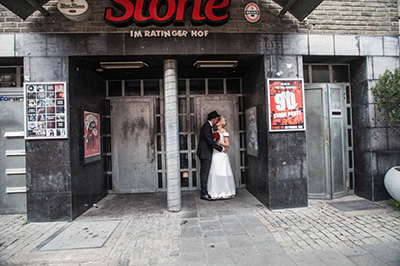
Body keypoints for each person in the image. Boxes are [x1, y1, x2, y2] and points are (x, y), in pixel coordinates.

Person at [197, 111, 225, 201]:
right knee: (204, 173)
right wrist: (220, 148)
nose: (217, 120)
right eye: (216, 118)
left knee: (204, 173)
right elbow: (209, 141)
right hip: (205, 154)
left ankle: (204, 192)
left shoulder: (209, 127)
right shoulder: (206, 127)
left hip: (206, 153)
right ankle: (204, 193)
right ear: (213, 119)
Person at [207, 117, 236, 199]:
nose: (217, 121)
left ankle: (224, 190)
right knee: (215, 171)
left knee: (223, 172)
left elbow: (227, 144)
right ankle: (216, 190)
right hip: (215, 153)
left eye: (219, 120)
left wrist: (219, 142)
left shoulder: (224, 131)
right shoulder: (215, 132)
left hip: (221, 154)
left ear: (222, 123)